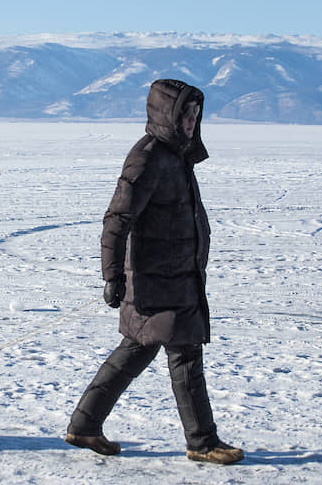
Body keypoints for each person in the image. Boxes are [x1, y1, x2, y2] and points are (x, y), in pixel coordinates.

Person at [65, 79, 244, 465]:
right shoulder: (148, 157)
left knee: (136, 349)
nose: (192, 122)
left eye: (196, 114)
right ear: (168, 114)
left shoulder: (175, 156)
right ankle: (202, 441)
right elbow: (117, 218)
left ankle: (84, 424)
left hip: (176, 278)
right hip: (158, 282)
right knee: (185, 355)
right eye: (185, 114)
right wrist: (112, 275)